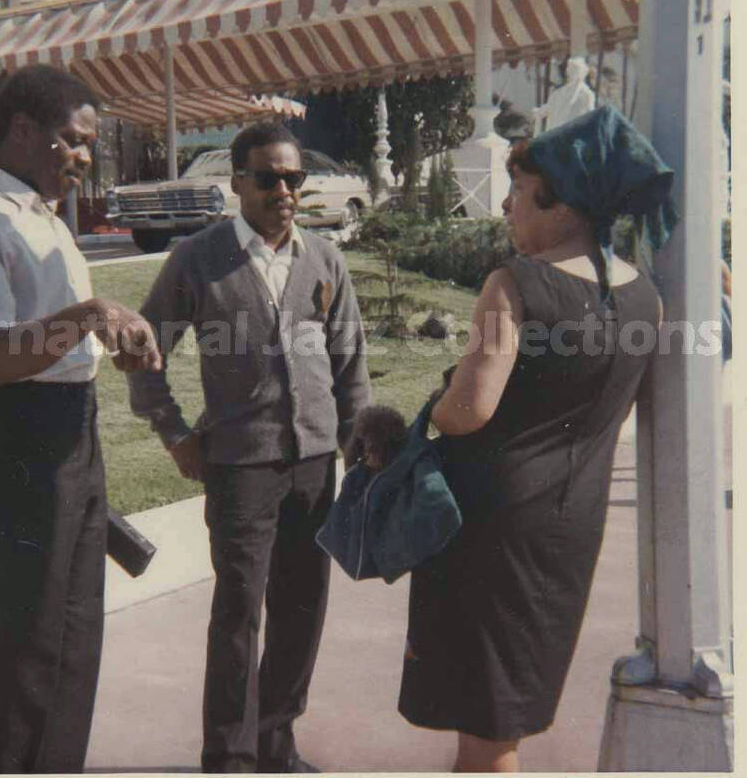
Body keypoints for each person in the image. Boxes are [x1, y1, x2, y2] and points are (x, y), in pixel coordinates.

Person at [397, 106, 676, 772]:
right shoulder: (646, 297)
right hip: (571, 526)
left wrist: (432, 401)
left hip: (491, 531)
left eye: (518, 190)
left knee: (486, 733)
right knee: (507, 714)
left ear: (555, 195)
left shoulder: (515, 284)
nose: (507, 203)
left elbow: (469, 408)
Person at [0, 64, 162, 773]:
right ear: (23, 130)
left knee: (72, 635)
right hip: (17, 433)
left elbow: (51, 341)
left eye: (89, 143)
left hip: (69, 426)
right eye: (74, 140)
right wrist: (92, 316)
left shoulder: (40, 212)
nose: (86, 157)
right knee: (25, 642)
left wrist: (108, 344)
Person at [127, 121, 370, 773]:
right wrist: (174, 431)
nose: (284, 190)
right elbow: (143, 349)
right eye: (267, 177)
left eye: (294, 178)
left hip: (315, 464)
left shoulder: (323, 259)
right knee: (238, 613)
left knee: (301, 609)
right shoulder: (198, 259)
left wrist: (361, 444)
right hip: (241, 467)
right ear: (236, 182)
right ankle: (230, 755)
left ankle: (275, 739)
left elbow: (350, 364)